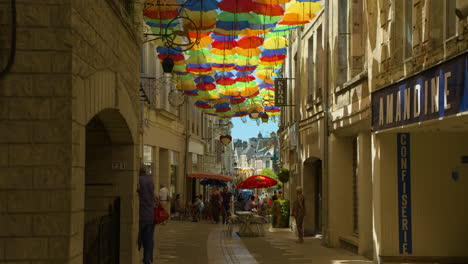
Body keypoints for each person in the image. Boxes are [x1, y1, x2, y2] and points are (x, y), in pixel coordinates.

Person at [137, 167, 155, 264]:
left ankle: (137, 253)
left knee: (139, 237)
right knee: (149, 239)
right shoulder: (150, 181)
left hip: (141, 214)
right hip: (150, 214)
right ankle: (147, 258)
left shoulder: (139, 180)